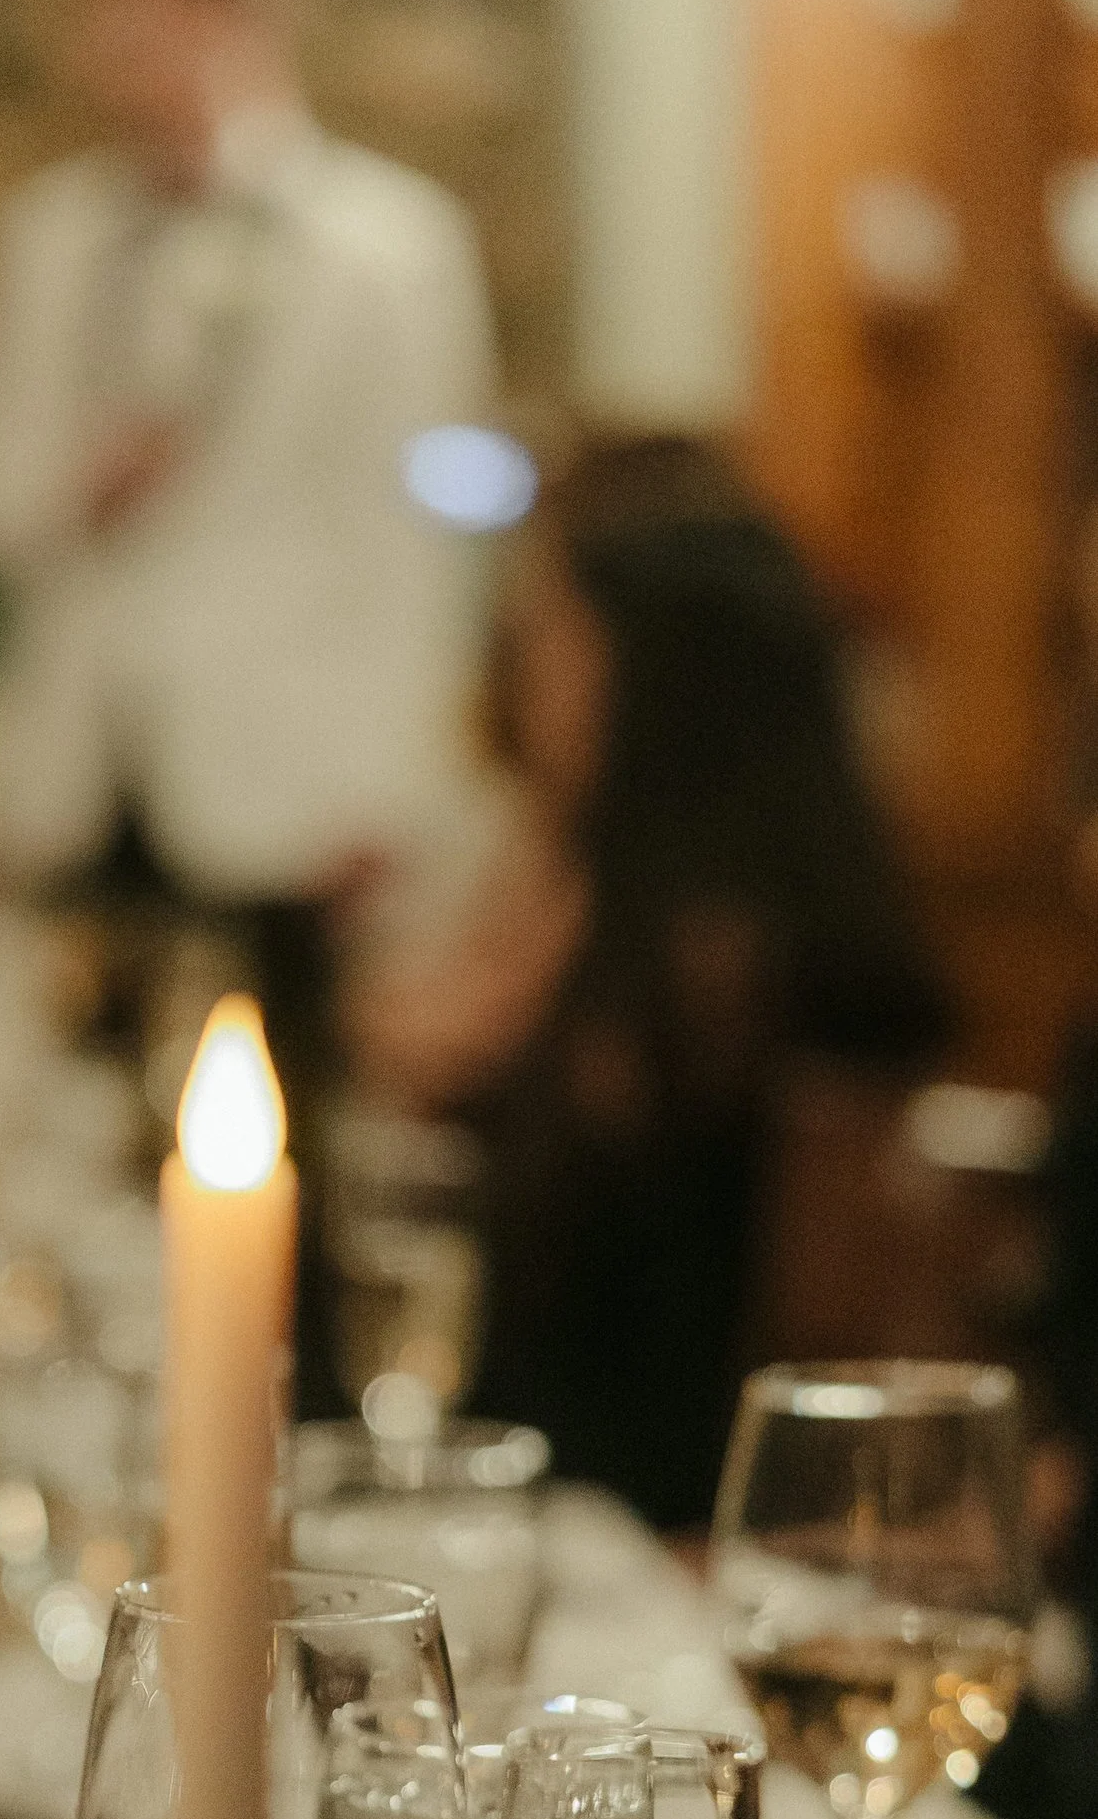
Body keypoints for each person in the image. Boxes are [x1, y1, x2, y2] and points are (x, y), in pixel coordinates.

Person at [0, 0, 496, 1111]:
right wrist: (78, 487)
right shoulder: (49, 235)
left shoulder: (392, 247)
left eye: (143, 23)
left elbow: (417, 536)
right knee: (83, 1120)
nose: (112, 61)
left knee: (279, 1131)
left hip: (287, 780)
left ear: (232, 15)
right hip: (88, 769)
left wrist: (391, 787)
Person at [349, 438, 951, 1528]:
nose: (523, 676)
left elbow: (677, 1361)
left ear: (649, 674)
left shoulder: (723, 970)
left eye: (551, 640)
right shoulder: (582, 888)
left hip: (641, 1534)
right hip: (530, 1506)